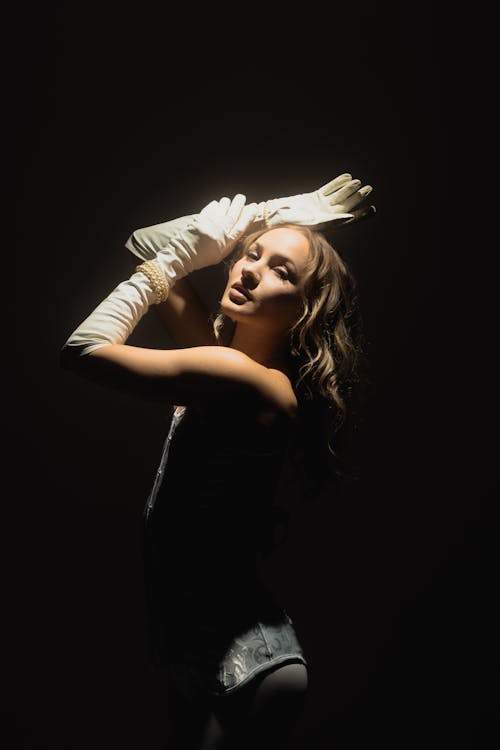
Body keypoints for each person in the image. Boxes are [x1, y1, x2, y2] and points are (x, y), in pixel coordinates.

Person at [61, 174, 375, 749]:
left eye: (283, 271)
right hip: (190, 646)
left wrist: (188, 253)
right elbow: (141, 243)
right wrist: (276, 212)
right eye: (249, 255)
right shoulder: (223, 359)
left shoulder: (247, 381)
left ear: (306, 309)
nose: (250, 269)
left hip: (246, 659)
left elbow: (85, 350)